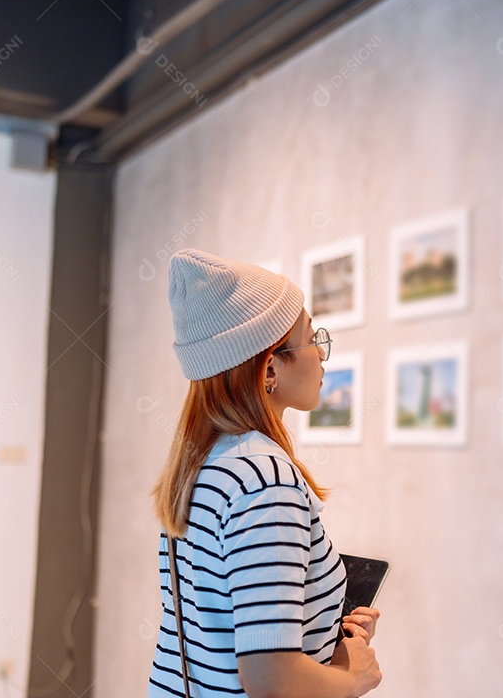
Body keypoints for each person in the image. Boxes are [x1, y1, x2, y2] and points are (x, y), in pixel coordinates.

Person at [148, 248, 383, 698]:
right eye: (311, 339)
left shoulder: (205, 463)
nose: (321, 355)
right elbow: (271, 681)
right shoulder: (265, 481)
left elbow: (219, 632)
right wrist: (353, 677)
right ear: (270, 367)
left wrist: (324, 631)